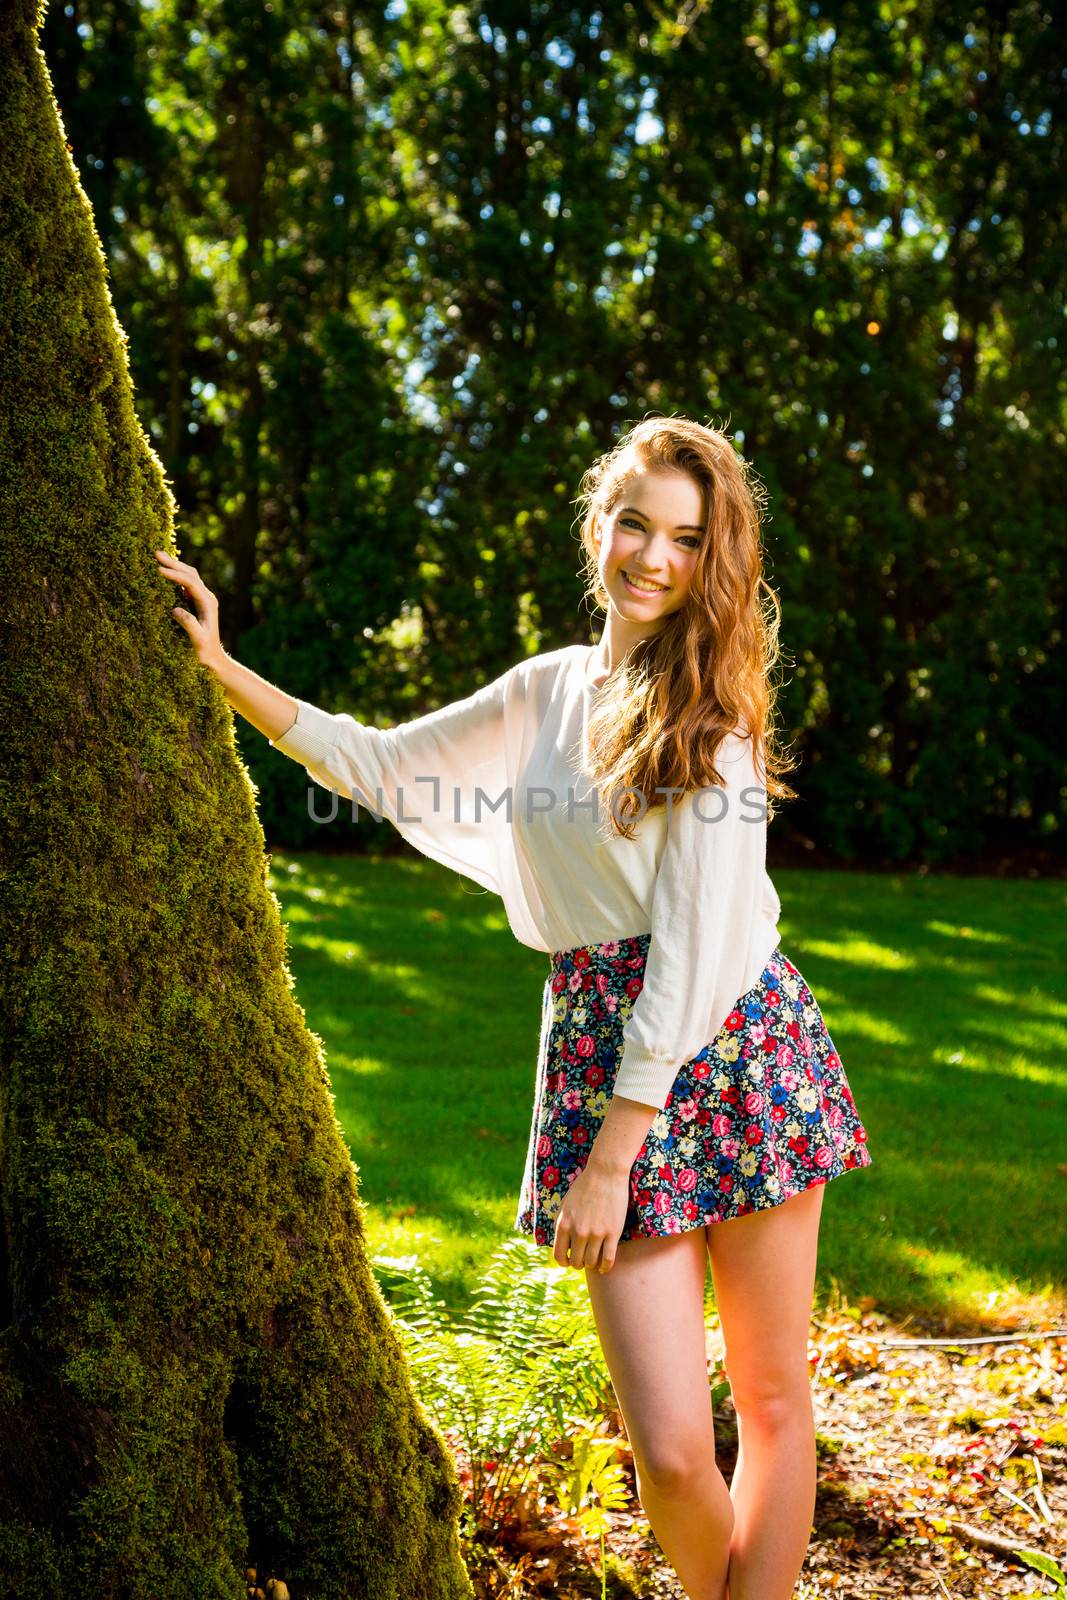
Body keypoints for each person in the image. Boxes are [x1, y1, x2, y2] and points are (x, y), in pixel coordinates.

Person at [155, 415, 873, 1600]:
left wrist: (610, 1156)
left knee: (771, 1398)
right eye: (634, 523)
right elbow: (386, 765)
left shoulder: (712, 723)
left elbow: (692, 951)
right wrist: (224, 671)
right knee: (670, 1450)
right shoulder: (545, 690)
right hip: (598, 1036)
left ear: (712, 561)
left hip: (737, 1050)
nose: (651, 556)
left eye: (684, 539)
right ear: (600, 524)